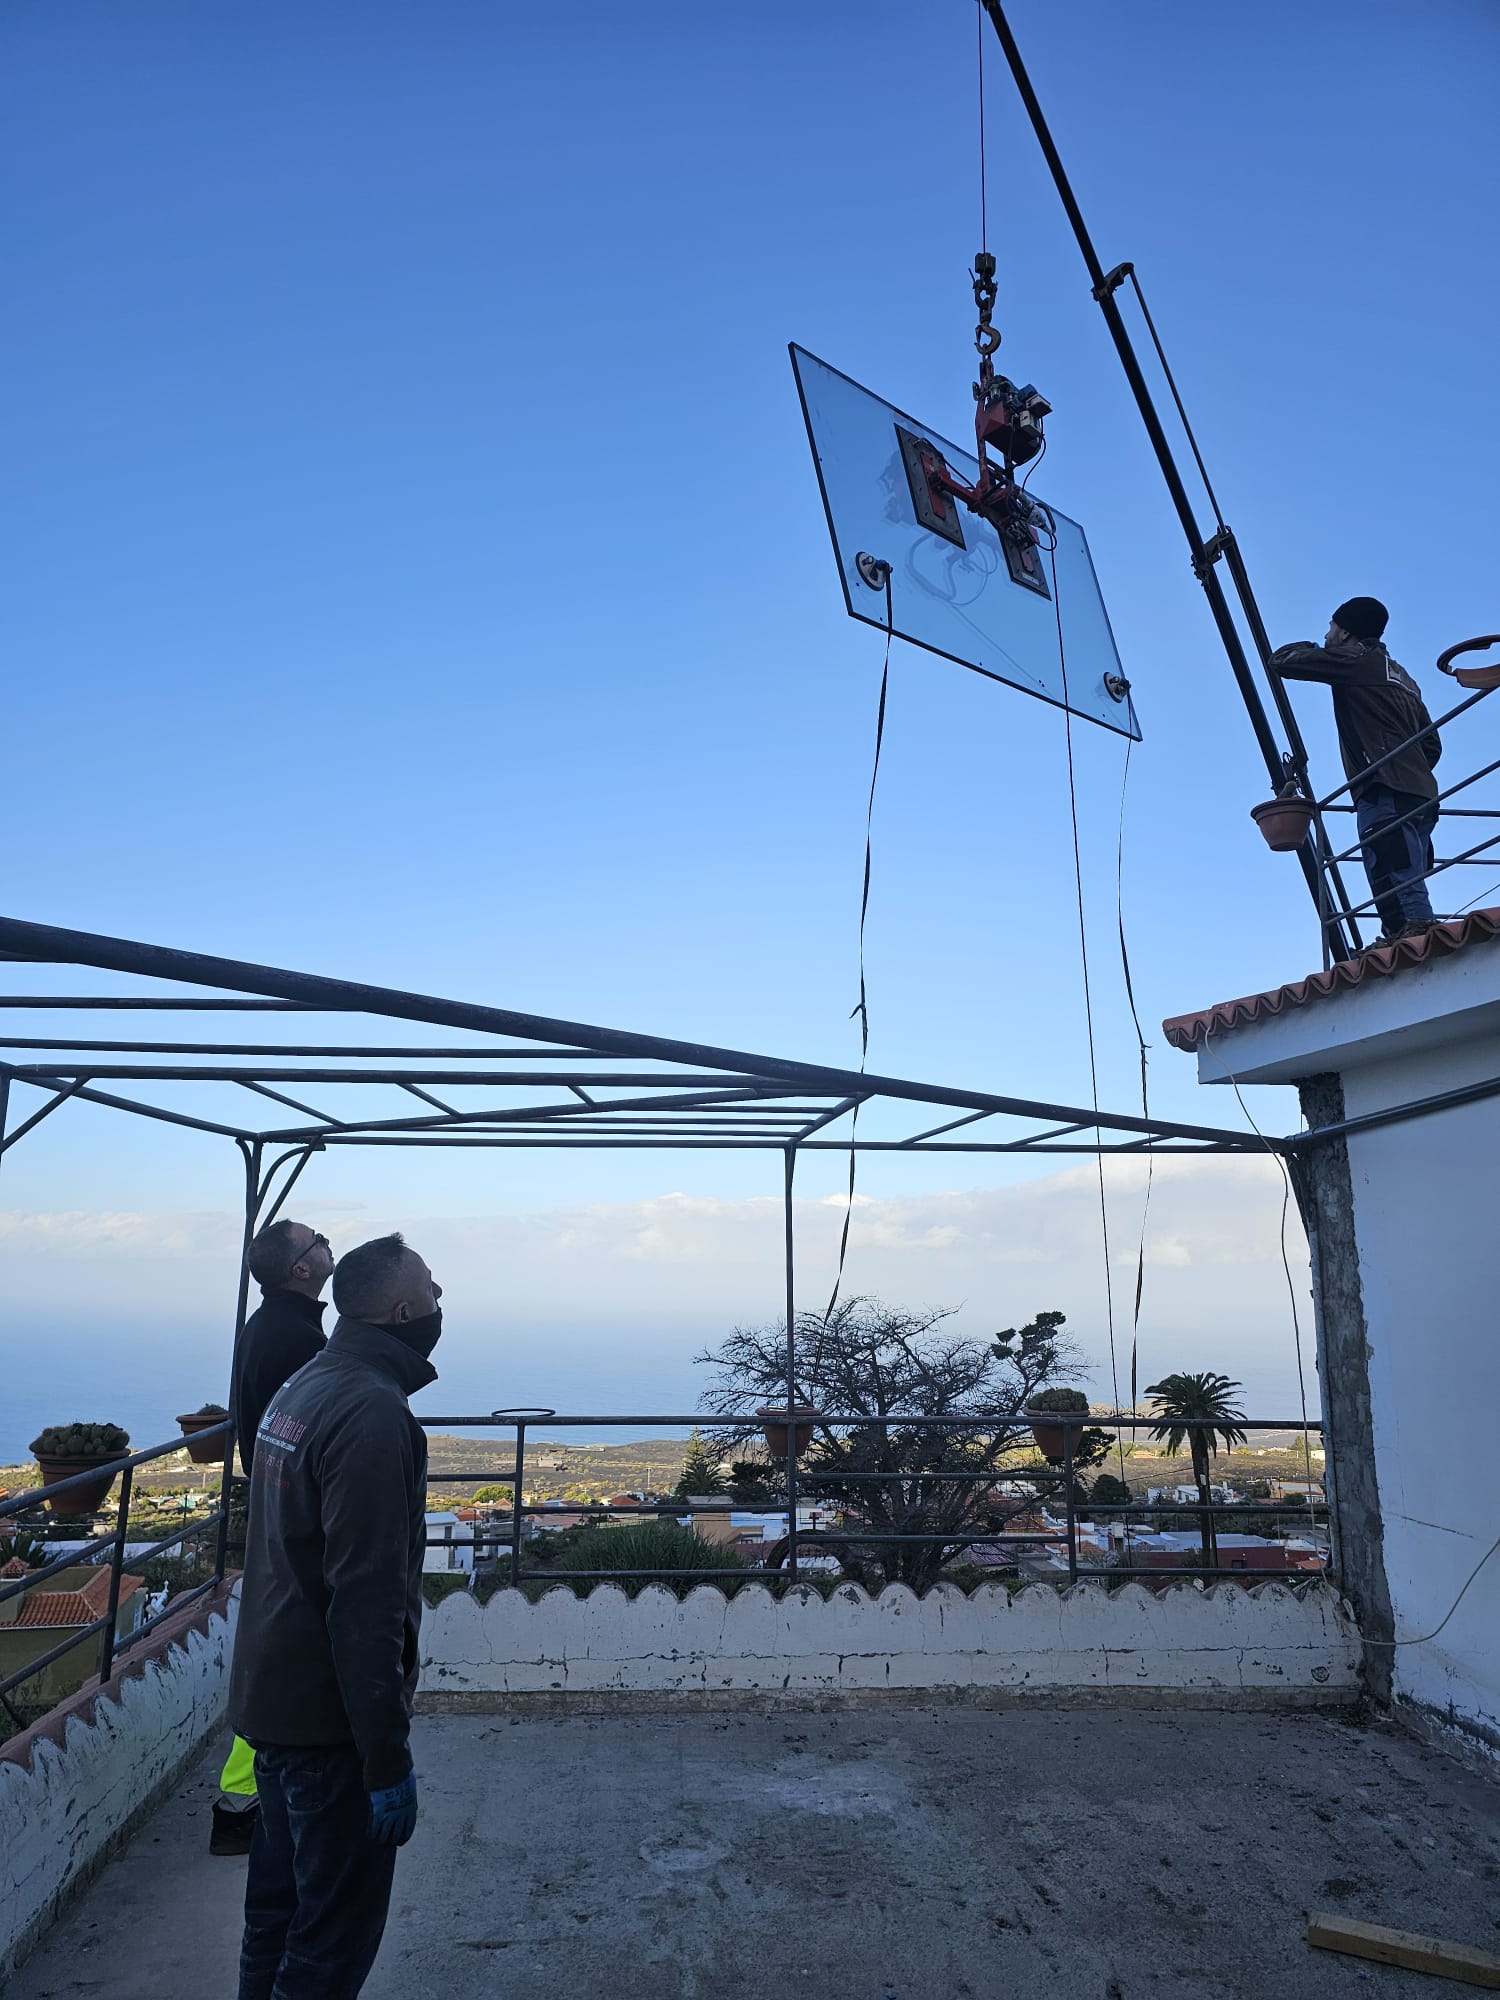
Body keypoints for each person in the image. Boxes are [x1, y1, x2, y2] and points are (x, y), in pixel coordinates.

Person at [229, 1233, 442, 2000]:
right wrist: (384, 1759)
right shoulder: (372, 1413)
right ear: (402, 1310)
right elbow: (366, 1600)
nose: (441, 1300)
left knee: (278, 1915)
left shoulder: (309, 1384)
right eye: (432, 1289)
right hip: (328, 1727)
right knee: (329, 1943)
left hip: (276, 1699)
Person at [212, 1219, 335, 1857]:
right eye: (318, 1241)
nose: (327, 1244)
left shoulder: (275, 1326)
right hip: (293, 1514)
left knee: (276, 1650)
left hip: (276, 1508)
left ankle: (243, 1802)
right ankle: (241, 1806)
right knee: (284, 1656)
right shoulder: (293, 1337)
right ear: (301, 1270)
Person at [1272, 596, 1442, 948]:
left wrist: (1317, 647)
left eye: (1332, 627)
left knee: (1391, 860)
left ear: (1346, 632)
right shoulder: (1404, 678)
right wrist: (1411, 768)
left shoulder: (1355, 659)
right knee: (1401, 861)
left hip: (1383, 785)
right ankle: (1399, 935)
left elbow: (1282, 661)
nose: (1327, 633)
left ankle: (1417, 928)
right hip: (1422, 791)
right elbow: (1432, 745)